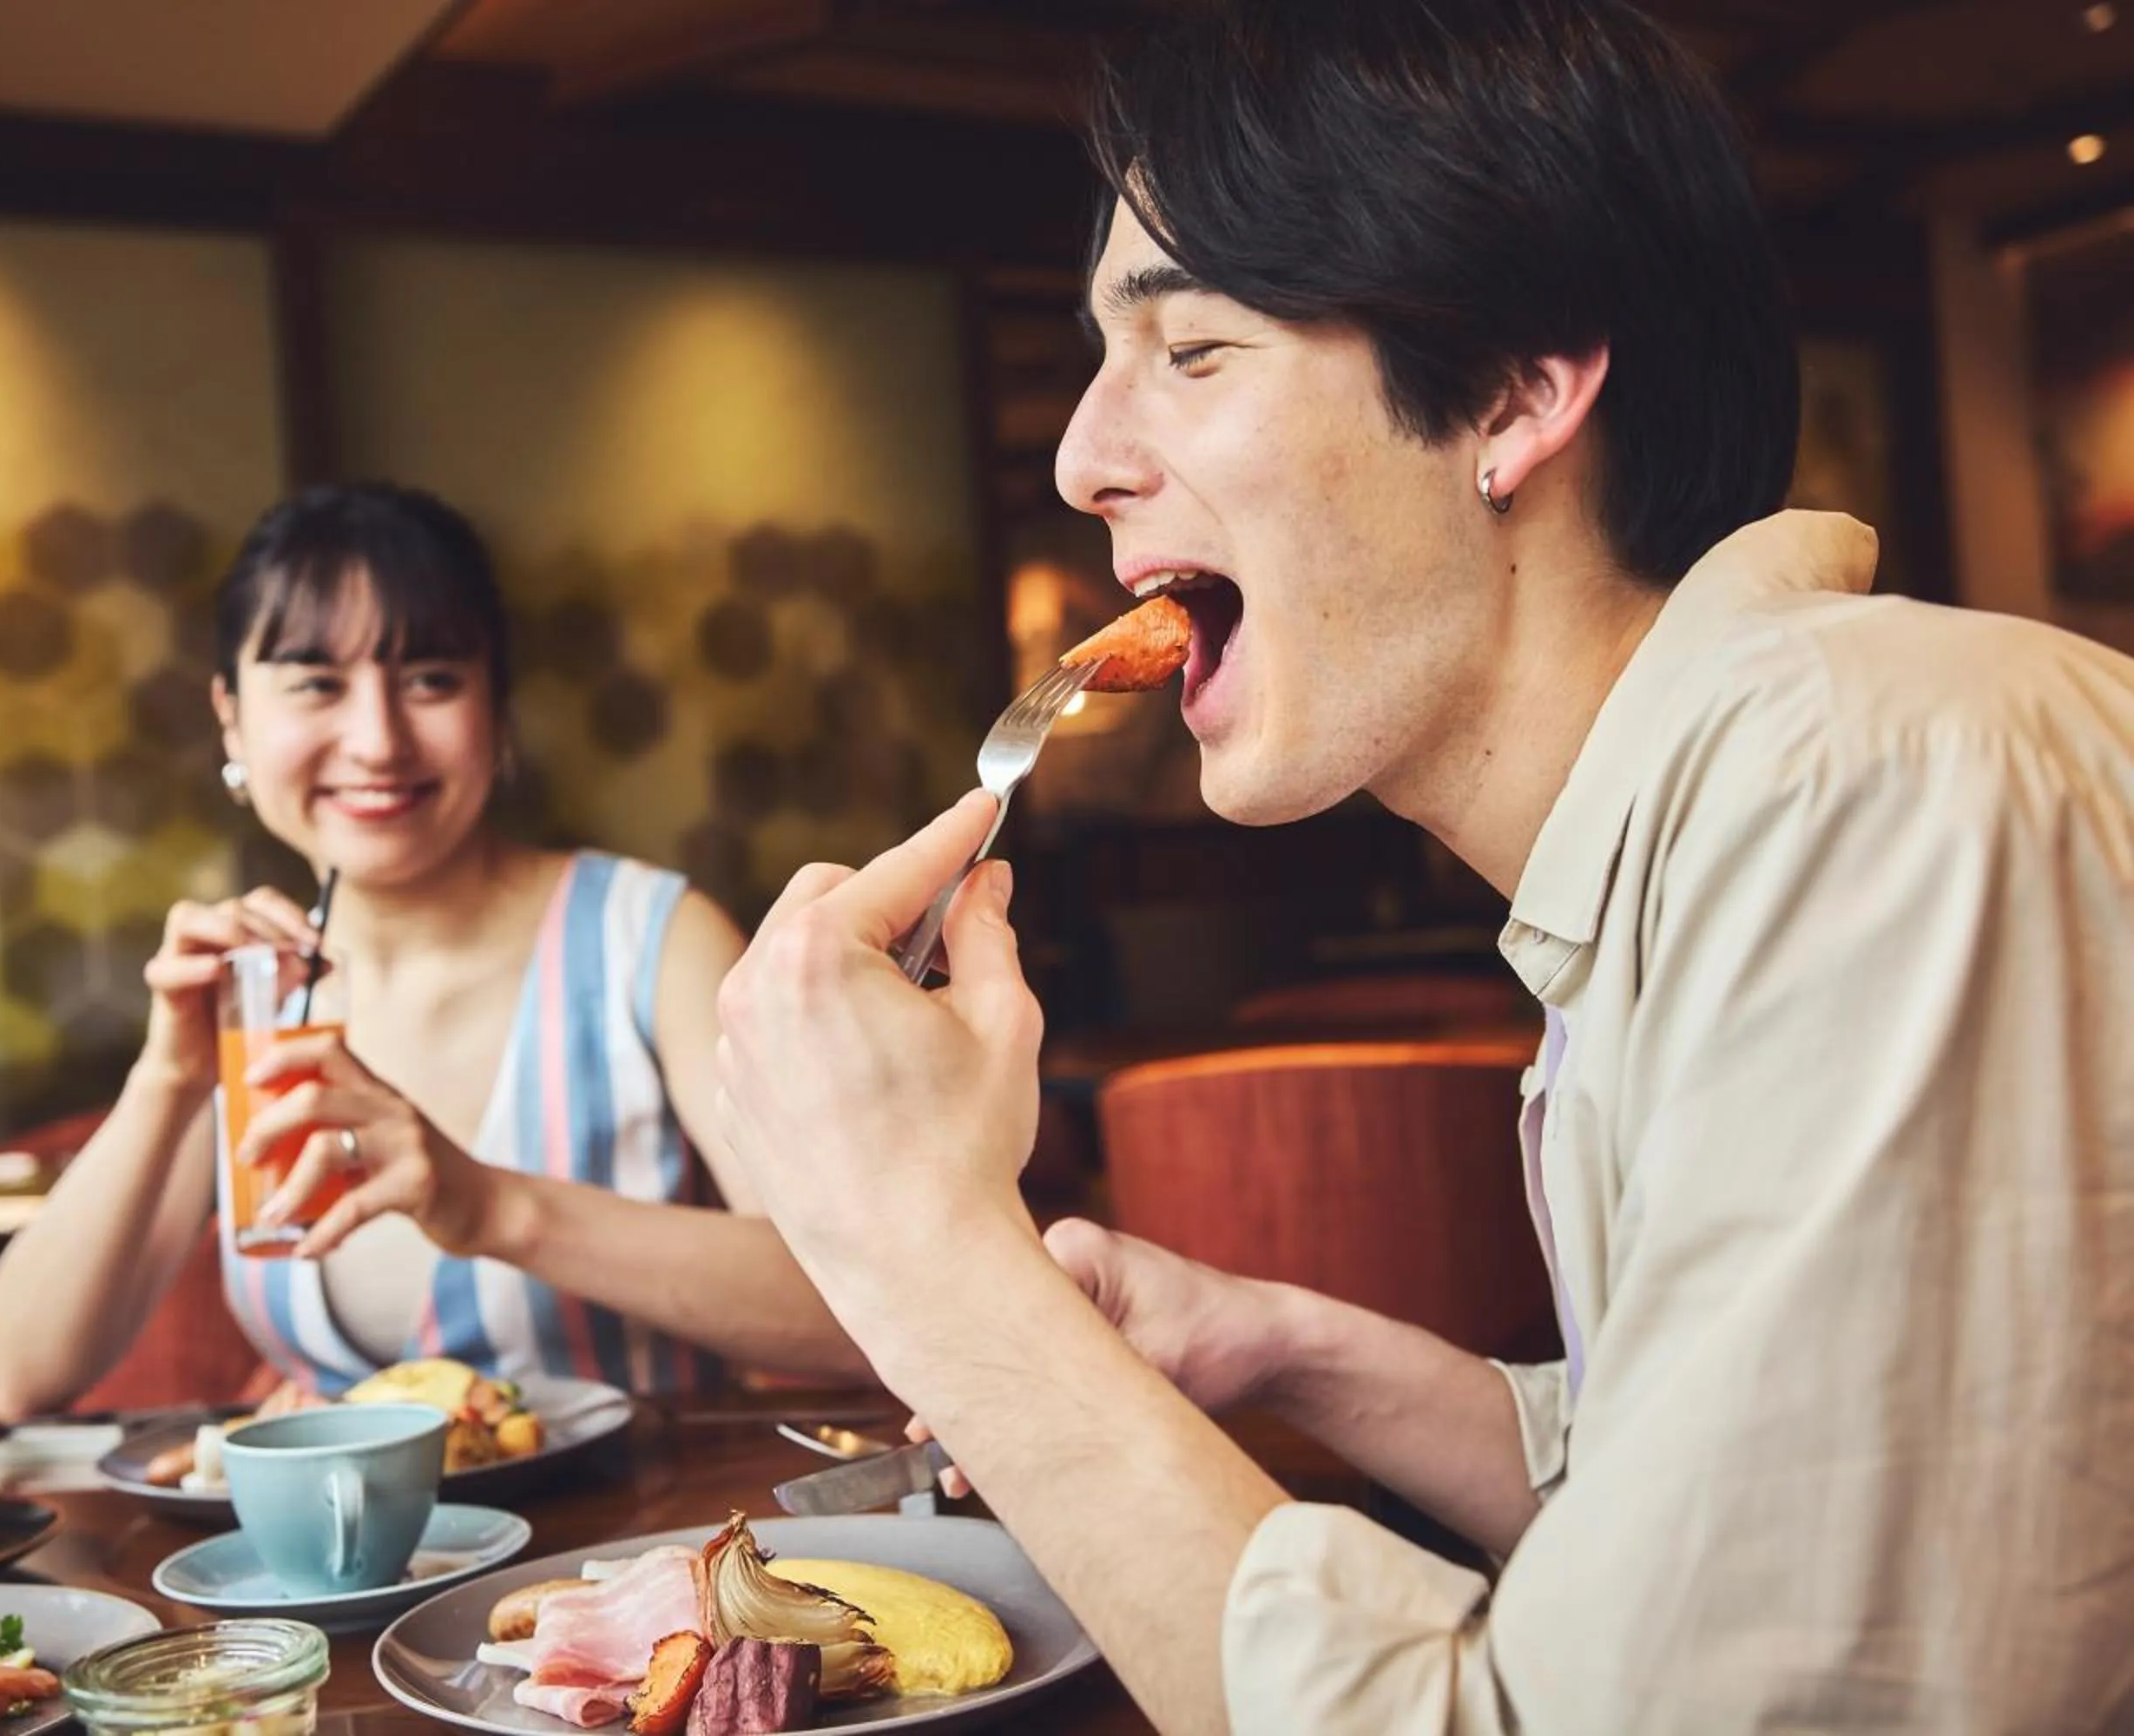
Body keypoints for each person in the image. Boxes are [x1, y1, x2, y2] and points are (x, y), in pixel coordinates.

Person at [709, 3, 2134, 1732]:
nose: (1084, 456)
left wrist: (924, 1250)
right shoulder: (1701, 825)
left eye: (1194, 350)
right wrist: (1287, 1349)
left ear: (1517, 388)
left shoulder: (1878, 789)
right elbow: (1731, 1544)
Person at [0, 483, 862, 1419]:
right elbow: (22, 1376)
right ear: (232, 717)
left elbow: (857, 1313)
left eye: (431, 679)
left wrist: (492, 1205)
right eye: (316, 683)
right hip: (352, 1562)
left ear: (498, 710)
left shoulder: (651, 939)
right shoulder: (252, 994)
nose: (377, 739)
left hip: (644, 1541)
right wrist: (167, 1079)